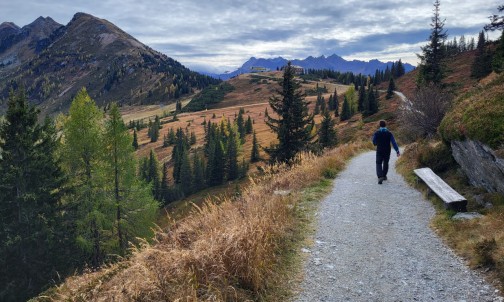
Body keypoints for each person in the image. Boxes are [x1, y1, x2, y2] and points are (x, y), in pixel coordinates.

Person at [372, 120, 400, 184]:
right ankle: (384, 176)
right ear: (385, 125)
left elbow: (374, 141)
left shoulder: (377, 132)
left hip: (379, 149)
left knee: (378, 163)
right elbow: (393, 142)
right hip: (387, 150)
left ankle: (380, 176)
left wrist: (375, 143)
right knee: (386, 162)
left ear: (380, 125)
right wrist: (397, 151)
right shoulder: (389, 133)